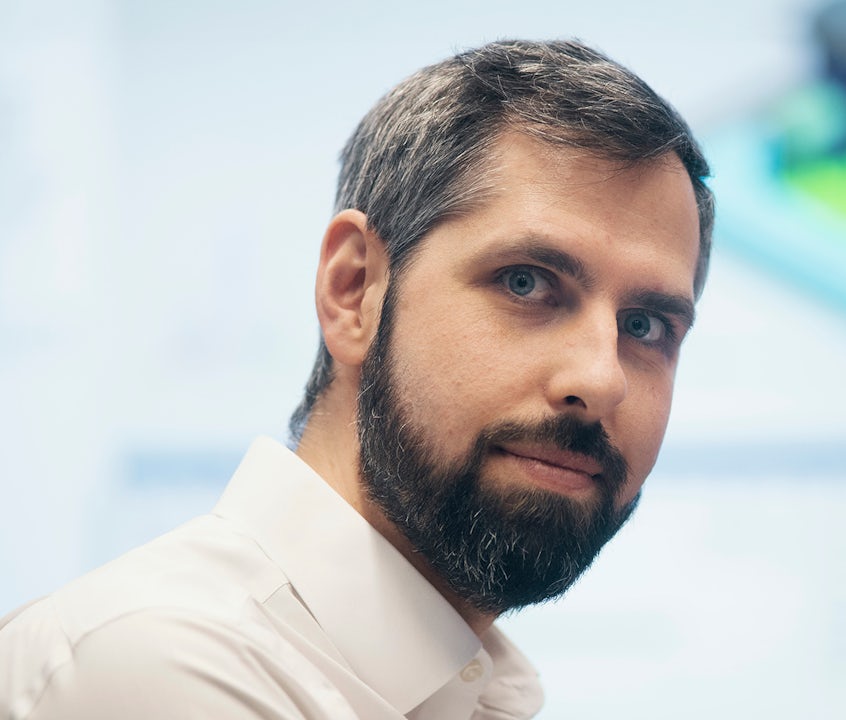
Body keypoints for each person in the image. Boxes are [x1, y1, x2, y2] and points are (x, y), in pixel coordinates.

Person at [0, 39, 714, 719]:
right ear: (354, 289)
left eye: (646, 326)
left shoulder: (470, 694)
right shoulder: (160, 667)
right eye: (526, 283)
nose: (600, 378)